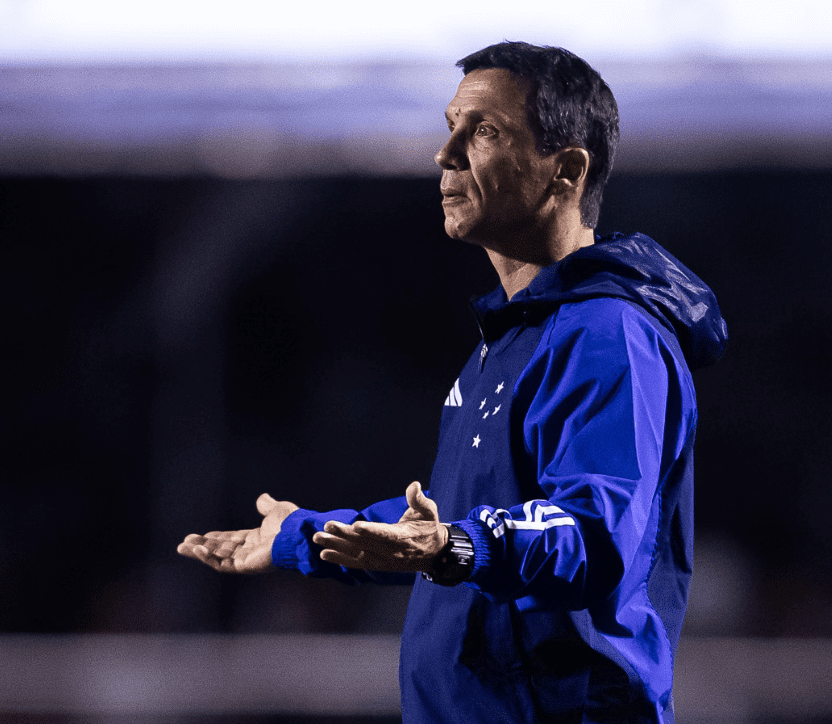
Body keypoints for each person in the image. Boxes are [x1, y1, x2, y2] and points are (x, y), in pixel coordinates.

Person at [177, 41, 727, 724]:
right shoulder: (513, 339)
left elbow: (591, 533)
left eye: (485, 132)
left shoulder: (611, 336)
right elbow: (445, 516)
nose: (446, 154)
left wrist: (453, 547)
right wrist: (303, 536)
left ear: (567, 171)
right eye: (450, 128)